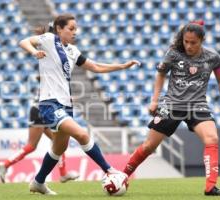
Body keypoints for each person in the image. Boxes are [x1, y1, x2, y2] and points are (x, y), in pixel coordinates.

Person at [19, 13, 140, 195]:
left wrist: (122, 66)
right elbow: (25, 41)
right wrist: (34, 51)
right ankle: (109, 170)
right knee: (82, 134)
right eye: (71, 28)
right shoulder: (49, 39)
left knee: (59, 147)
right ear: (59, 29)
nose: (75, 32)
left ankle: (38, 182)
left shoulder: (73, 51)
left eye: (76, 29)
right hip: (50, 104)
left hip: (66, 105)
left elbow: (96, 67)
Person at [123, 20, 220, 197]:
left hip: (198, 105)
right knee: (149, 146)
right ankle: (122, 176)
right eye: (186, 41)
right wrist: (154, 100)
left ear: (202, 40)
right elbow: (160, 74)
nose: (188, 45)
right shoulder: (173, 54)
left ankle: (211, 187)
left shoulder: (213, 58)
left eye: (193, 42)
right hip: (172, 104)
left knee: (212, 138)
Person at [0, 101, 79, 183]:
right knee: (32, 145)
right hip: (43, 109)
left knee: (58, 142)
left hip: (44, 109)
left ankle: (63, 174)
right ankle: (5, 165)